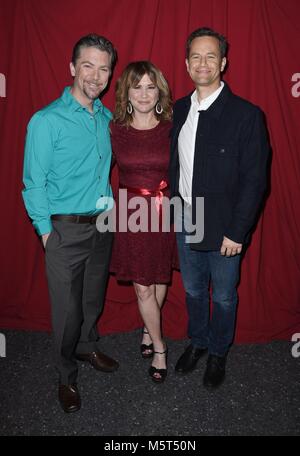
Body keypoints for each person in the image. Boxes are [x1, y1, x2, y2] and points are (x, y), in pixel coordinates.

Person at [22, 34, 119, 413]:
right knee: (66, 311)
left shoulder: (108, 119)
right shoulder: (46, 120)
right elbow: (33, 183)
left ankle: (86, 347)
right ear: (72, 68)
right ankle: (66, 376)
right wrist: (47, 234)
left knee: (92, 299)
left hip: (103, 225)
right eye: (88, 65)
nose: (96, 75)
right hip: (64, 229)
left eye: (104, 68)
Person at [169, 27, 269, 388]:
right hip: (187, 219)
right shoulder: (179, 108)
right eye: (196, 56)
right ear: (186, 63)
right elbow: (174, 164)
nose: (203, 63)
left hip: (227, 227)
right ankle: (197, 343)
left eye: (211, 56)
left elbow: (255, 180)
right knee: (194, 290)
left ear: (223, 62)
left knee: (224, 294)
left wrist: (237, 231)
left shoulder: (246, 115)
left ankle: (218, 352)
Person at [110, 61, 175, 383]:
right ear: (127, 92)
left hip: (165, 210)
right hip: (131, 213)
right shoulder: (115, 130)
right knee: (142, 286)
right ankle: (160, 348)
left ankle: (149, 332)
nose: (144, 94)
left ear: (159, 91)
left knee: (160, 276)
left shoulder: (172, 127)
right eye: (137, 87)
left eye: (151, 86)